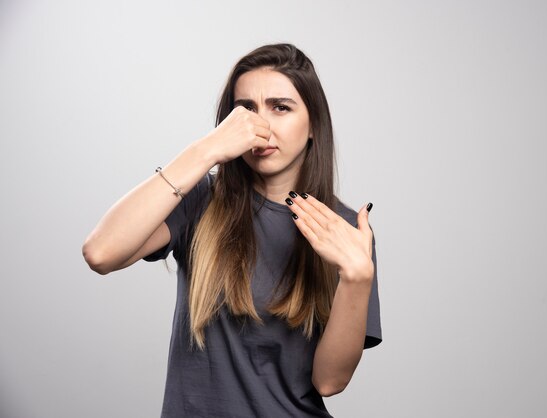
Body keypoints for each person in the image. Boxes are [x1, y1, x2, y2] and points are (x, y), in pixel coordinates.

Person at [82, 43, 382, 418]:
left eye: (281, 107)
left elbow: (329, 382)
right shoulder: (200, 199)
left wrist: (357, 278)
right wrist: (206, 150)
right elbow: (101, 252)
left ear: (313, 126)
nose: (260, 125)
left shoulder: (344, 230)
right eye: (245, 110)